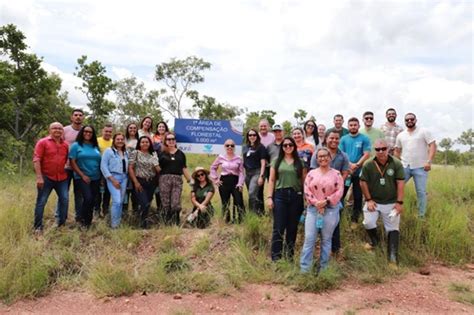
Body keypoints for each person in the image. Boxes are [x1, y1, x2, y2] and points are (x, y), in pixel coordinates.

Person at [360, 139, 405, 266]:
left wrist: (399, 202)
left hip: (391, 202)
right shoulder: (368, 164)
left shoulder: (396, 163)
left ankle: (392, 259)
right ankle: (375, 242)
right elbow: (362, 182)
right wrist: (368, 200)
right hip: (374, 201)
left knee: (392, 228)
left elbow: (400, 182)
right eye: (378, 149)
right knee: (368, 222)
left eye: (383, 149)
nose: (381, 152)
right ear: (375, 150)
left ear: (388, 149)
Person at [300, 147, 344, 272]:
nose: (323, 158)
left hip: (330, 209)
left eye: (325, 156)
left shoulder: (336, 174)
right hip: (313, 210)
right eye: (320, 156)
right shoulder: (311, 173)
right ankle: (305, 270)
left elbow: (340, 191)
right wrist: (316, 202)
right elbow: (307, 190)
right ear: (316, 158)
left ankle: (323, 269)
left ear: (330, 157)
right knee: (309, 239)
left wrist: (327, 201)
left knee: (326, 239)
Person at [310, 131, 350, 256]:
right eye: (331, 138)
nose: (334, 140)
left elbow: (345, 172)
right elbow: (312, 173)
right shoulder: (318, 153)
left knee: (334, 222)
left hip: (335, 195)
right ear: (326, 139)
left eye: (337, 138)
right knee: (315, 221)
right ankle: (318, 248)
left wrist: (337, 185)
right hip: (317, 196)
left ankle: (335, 249)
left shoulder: (343, 156)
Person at [267, 137, 306, 261]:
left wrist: (306, 198)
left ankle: (289, 256)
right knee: (278, 227)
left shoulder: (300, 162)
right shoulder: (276, 161)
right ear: (282, 147)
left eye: (290, 145)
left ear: (294, 146)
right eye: (285, 145)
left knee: (292, 228)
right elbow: (272, 180)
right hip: (280, 196)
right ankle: (276, 258)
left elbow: (304, 181)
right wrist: (269, 197)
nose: (288, 147)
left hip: (296, 196)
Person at [394, 113, 436, 218]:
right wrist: (398, 162)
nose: (409, 121)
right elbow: (397, 150)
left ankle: (421, 216)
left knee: (421, 192)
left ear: (415, 120)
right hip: (405, 167)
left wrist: (429, 161)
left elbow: (432, 145)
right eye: (407, 120)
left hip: (421, 167)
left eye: (411, 119)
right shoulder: (401, 135)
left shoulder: (424, 131)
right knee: (396, 188)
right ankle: (394, 211)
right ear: (405, 121)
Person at [32, 122, 69, 232]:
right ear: (49, 130)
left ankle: (61, 224)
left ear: (62, 131)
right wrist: (39, 177)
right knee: (41, 202)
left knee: (65, 200)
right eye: (54, 128)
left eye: (59, 128)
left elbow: (67, 159)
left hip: (62, 178)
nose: (57, 130)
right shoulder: (42, 142)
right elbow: (36, 159)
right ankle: (38, 227)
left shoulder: (65, 145)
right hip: (46, 177)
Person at [339, 117, 371, 227]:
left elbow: (366, 154)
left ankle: (355, 219)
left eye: (355, 125)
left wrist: (357, 165)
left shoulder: (364, 138)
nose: (353, 127)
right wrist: (349, 166)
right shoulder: (343, 139)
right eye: (351, 125)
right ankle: (338, 216)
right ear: (348, 126)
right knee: (340, 195)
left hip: (359, 172)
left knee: (358, 196)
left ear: (358, 126)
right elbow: (341, 154)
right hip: (346, 172)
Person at [69, 126, 102, 229]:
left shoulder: (95, 146)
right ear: (82, 133)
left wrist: (101, 177)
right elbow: (72, 162)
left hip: (96, 177)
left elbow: (99, 161)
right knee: (87, 198)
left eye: (90, 132)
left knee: (93, 200)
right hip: (82, 177)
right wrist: (82, 175)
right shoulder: (76, 146)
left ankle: (88, 221)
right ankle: (83, 221)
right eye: (86, 131)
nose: (88, 133)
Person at [159, 132, 192, 225]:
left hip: (177, 179)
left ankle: (176, 223)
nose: (171, 141)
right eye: (169, 139)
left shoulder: (181, 153)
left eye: (173, 139)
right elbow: (157, 168)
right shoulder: (161, 153)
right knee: (166, 203)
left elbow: (184, 168)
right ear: (165, 141)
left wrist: (190, 181)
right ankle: (166, 224)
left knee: (175, 202)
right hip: (164, 179)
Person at [128, 136, 161, 228]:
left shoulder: (153, 154)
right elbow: (130, 168)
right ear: (139, 143)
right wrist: (135, 182)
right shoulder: (136, 153)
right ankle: (142, 225)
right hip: (140, 181)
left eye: (147, 142)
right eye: (142, 142)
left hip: (151, 182)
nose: (145, 144)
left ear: (150, 143)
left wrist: (156, 163)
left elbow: (158, 170)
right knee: (144, 203)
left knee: (147, 203)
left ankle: (143, 221)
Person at [210, 139, 245, 223]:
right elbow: (213, 168)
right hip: (224, 181)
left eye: (232, 145)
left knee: (239, 201)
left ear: (234, 147)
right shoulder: (220, 157)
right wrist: (215, 179)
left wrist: (240, 183)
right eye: (227, 145)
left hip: (235, 181)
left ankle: (240, 220)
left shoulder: (239, 158)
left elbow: (241, 172)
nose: (230, 147)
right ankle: (226, 220)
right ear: (224, 147)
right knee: (225, 202)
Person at [59, 108, 84, 223]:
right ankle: (60, 218)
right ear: (72, 117)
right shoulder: (64, 130)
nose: (78, 117)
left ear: (83, 118)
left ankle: (79, 218)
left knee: (79, 194)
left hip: (80, 168)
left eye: (80, 115)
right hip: (66, 167)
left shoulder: (85, 131)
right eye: (76, 115)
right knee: (63, 194)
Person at [100, 133, 129, 228]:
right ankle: (114, 225)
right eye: (118, 139)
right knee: (116, 201)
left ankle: (118, 221)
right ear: (114, 140)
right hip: (113, 177)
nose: (120, 141)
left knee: (121, 201)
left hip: (124, 178)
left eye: (122, 139)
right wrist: (112, 180)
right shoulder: (109, 151)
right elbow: (103, 166)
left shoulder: (126, 152)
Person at [242, 128, 267, 215]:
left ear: (257, 136)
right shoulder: (245, 147)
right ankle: (259, 213)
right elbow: (243, 160)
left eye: (254, 135)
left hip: (257, 172)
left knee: (251, 193)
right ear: (247, 137)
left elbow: (263, 163)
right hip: (247, 173)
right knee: (254, 194)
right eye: (250, 135)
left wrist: (261, 176)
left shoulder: (261, 147)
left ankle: (251, 214)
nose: (252, 137)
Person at [95, 123, 113, 218]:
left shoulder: (113, 142)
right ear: (102, 131)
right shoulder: (97, 141)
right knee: (97, 193)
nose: (108, 133)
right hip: (98, 170)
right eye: (106, 131)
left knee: (107, 192)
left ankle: (105, 211)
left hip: (110, 172)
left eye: (110, 132)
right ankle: (96, 211)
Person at [152, 121, 169, 212]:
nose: (161, 128)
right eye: (159, 127)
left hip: (168, 167)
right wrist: (156, 165)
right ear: (157, 128)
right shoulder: (153, 138)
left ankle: (166, 210)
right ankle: (159, 209)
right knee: (157, 188)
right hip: (157, 168)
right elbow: (152, 152)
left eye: (163, 127)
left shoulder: (169, 138)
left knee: (166, 189)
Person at [124, 123, 139, 216]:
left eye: (134, 128)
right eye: (130, 128)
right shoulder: (123, 139)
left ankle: (135, 214)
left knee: (135, 193)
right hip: (123, 170)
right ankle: (124, 214)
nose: (132, 129)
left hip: (136, 170)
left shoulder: (139, 141)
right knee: (125, 193)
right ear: (127, 129)